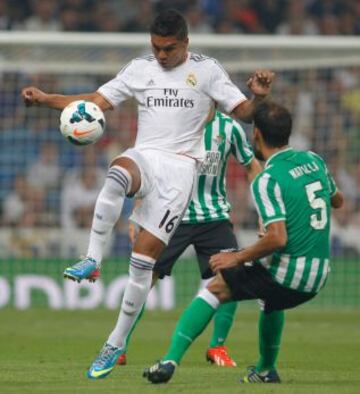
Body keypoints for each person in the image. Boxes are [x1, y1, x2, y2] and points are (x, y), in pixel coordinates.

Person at [21, 9, 274, 380]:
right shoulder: (140, 68)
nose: (161, 55)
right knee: (117, 172)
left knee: (143, 266)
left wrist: (259, 97)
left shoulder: (207, 71)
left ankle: (115, 343)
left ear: (185, 43)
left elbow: (245, 112)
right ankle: (92, 258)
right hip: (146, 156)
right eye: (156, 47)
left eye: (168, 48)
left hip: (180, 173)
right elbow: (96, 101)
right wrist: (46, 99)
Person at [143, 100, 344, 384]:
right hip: (320, 275)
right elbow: (337, 200)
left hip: (290, 274)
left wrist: (235, 258)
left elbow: (277, 237)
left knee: (217, 287)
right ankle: (265, 370)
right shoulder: (314, 160)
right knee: (271, 301)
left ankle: (169, 362)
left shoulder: (267, 179)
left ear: (256, 135)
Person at [118, 108, 262, 367]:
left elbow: (252, 166)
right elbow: (150, 167)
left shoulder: (230, 128)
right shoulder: (169, 124)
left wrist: (265, 208)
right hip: (171, 214)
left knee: (232, 277)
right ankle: (118, 346)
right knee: (144, 278)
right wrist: (138, 210)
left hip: (213, 217)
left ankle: (217, 347)